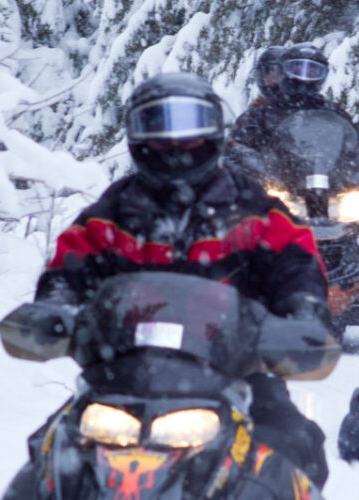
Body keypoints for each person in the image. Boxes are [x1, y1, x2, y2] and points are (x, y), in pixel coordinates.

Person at [25, 72, 333, 487]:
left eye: (188, 136)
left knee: (295, 447)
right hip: (122, 376)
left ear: (212, 135)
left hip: (233, 371)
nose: (175, 147)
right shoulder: (113, 212)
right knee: (50, 452)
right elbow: (70, 265)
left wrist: (303, 312)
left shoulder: (253, 209)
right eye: (160, 134)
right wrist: (56, 307)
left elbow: (296, 262)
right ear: (137, 138)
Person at [230, 44, 353, 152]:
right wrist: (246, 153)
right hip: (277, 173)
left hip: (326, 173)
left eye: (312, 72)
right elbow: (238, 146)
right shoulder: (260, 113)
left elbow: (355, 139)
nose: (304, 78)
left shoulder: (333, 111)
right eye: (297, 70)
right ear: (284, 72)